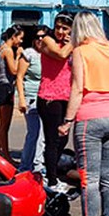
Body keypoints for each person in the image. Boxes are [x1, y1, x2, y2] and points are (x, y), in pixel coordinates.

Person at [58, 11, 109, 216]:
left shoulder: (81, 52)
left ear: (79, 30)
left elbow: (78, 88)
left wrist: (68, 120)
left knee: (90, 180)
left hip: (90, 119)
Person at [38, 11, 74, 192]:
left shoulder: (68, 45)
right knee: (52, 140)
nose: (60, 31)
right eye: (58, 27)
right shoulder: (47, 40)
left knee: (63, 138)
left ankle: (49, 170)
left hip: (66, 97)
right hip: (49, 97)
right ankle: (51, 181)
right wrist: (74, 41)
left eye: (65, 28)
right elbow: (60, 55)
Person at [16, 25, 49, 173]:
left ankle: (36, 165)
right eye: (37, 37)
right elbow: (19, 77)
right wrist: (21, 99)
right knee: (34, 134)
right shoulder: (29, 54)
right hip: (31, 98)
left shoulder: (49, 54)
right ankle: (28, 166)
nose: (40, 40)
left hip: (46, 98)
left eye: (43, 37)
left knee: (42, 135)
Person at [0, 24, 24, 163]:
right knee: (5, 125)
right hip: (6, 88)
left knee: (2, 123)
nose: (21, 41)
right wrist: (18, 56)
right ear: (13, 37)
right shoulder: (8, 51)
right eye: (20, 38)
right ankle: (6, 156)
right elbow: (14, 71)